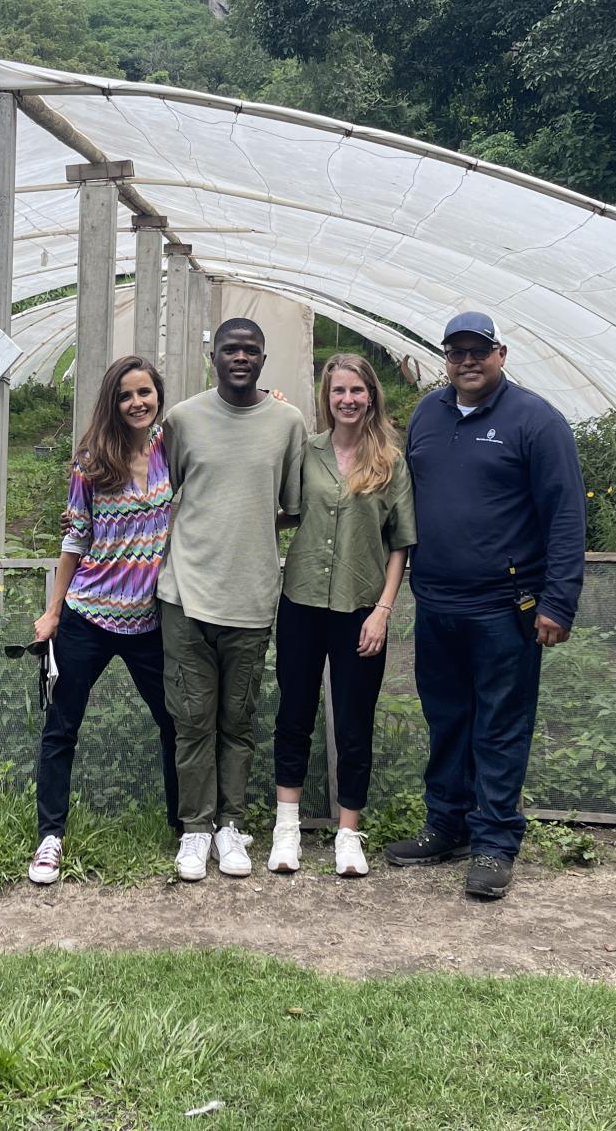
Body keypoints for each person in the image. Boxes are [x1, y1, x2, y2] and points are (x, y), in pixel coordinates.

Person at [385, 312, 586, 899]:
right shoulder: (427, 413)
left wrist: (559, 602)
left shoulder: (536, 421)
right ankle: (446, 825)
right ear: (444, 357)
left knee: (501, 724)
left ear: (500, 353)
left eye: (478, 351)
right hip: (438, 601)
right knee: (446, 717)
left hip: (507, 605)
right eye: (456, 352)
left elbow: (566, 516)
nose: (467, 362)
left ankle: (495, 842)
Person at [159, 317, 307, 882]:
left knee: (238, 719)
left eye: (250, 350)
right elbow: (160, 493)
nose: (240, 358)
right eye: (230, 350)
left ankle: (231, 826)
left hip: (250, 597)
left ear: (263, 359)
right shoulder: (184, 420)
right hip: (185, 595)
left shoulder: (287, 423)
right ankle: (195, 830)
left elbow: (292, 504)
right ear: (213, 357)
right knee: (192, 720)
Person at [27, 354, 177, 884]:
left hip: (148, 622)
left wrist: (268, 402)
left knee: (175, 723)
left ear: (158, 396)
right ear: (111, 402)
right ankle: (50, 838)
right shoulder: (91, 460)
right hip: (87, 615)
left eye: (145, 393)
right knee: (62, 727)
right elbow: (75, 538)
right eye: (125, 395)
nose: (137, 403)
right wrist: (52, 612)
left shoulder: (171, 449)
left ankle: (185, 831)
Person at [269, 354, 416, 879]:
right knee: (294, 713)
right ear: (325, 399)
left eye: (357, 390)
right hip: (303, 602)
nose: (348, 400)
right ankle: (286, 826)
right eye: (338, 392)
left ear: (371, 394)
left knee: (354, 723)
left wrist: (382, 611)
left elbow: (400, 544)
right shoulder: (306, 451)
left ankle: (347, 833)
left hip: (360, 607)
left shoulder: (390, 461)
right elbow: (283, 508)